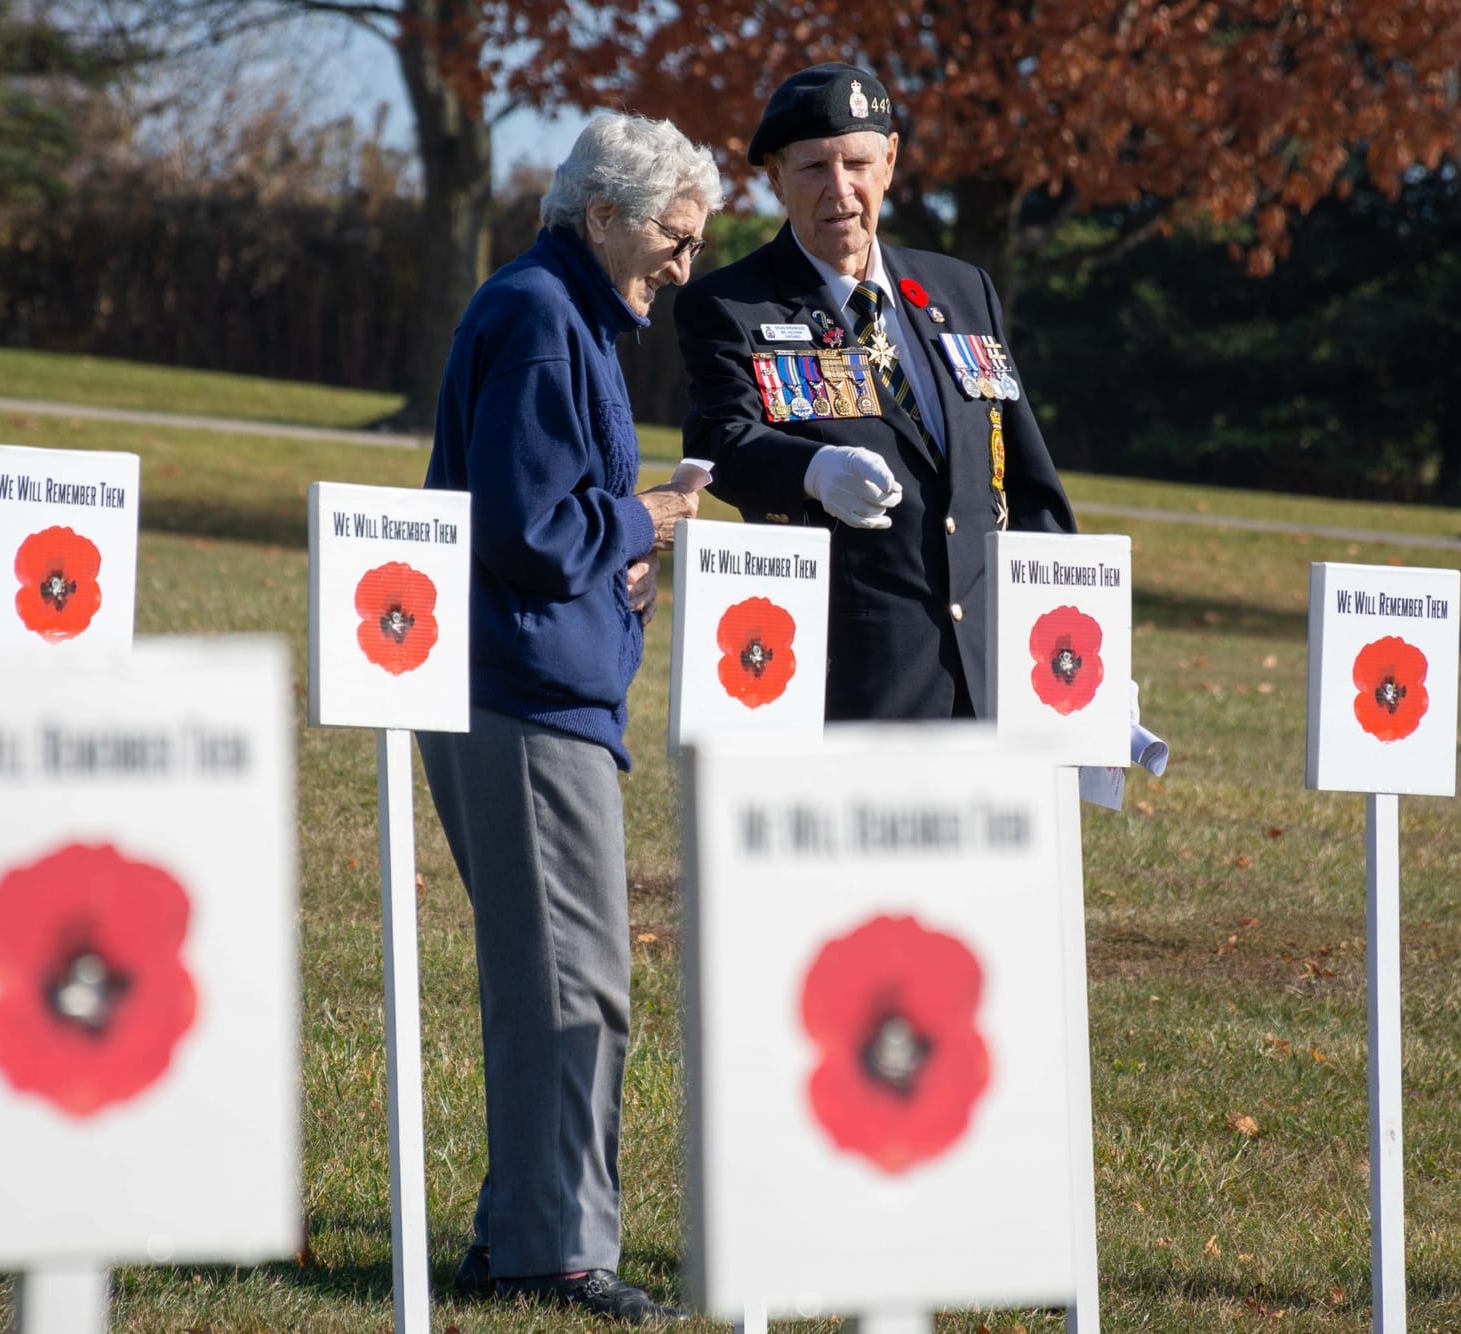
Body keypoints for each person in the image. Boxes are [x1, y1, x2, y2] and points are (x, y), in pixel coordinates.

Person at [416, 112, 721, 1324]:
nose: (684, 266)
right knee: (571, 987)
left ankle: (521, 1234)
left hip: (533, 688)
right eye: (672, 237)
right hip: (523, 697)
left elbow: (546, 521)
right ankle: (551, 1252)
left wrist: (618, 554)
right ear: (600, 217)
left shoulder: (560, 310)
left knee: (565, 977)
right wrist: (641, 522)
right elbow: (526, 532)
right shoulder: (546, 316)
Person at [674, 62, 1076, 721]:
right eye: (813, 169)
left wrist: (1077, 632)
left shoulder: (960, 290)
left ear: (889, 161)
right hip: (856, 686)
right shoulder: (732, 304)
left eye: (858, 163)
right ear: (775, 178)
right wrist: (811, 469)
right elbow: (723, 439)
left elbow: (1029, 490)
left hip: (993, 686)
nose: (841, 190)